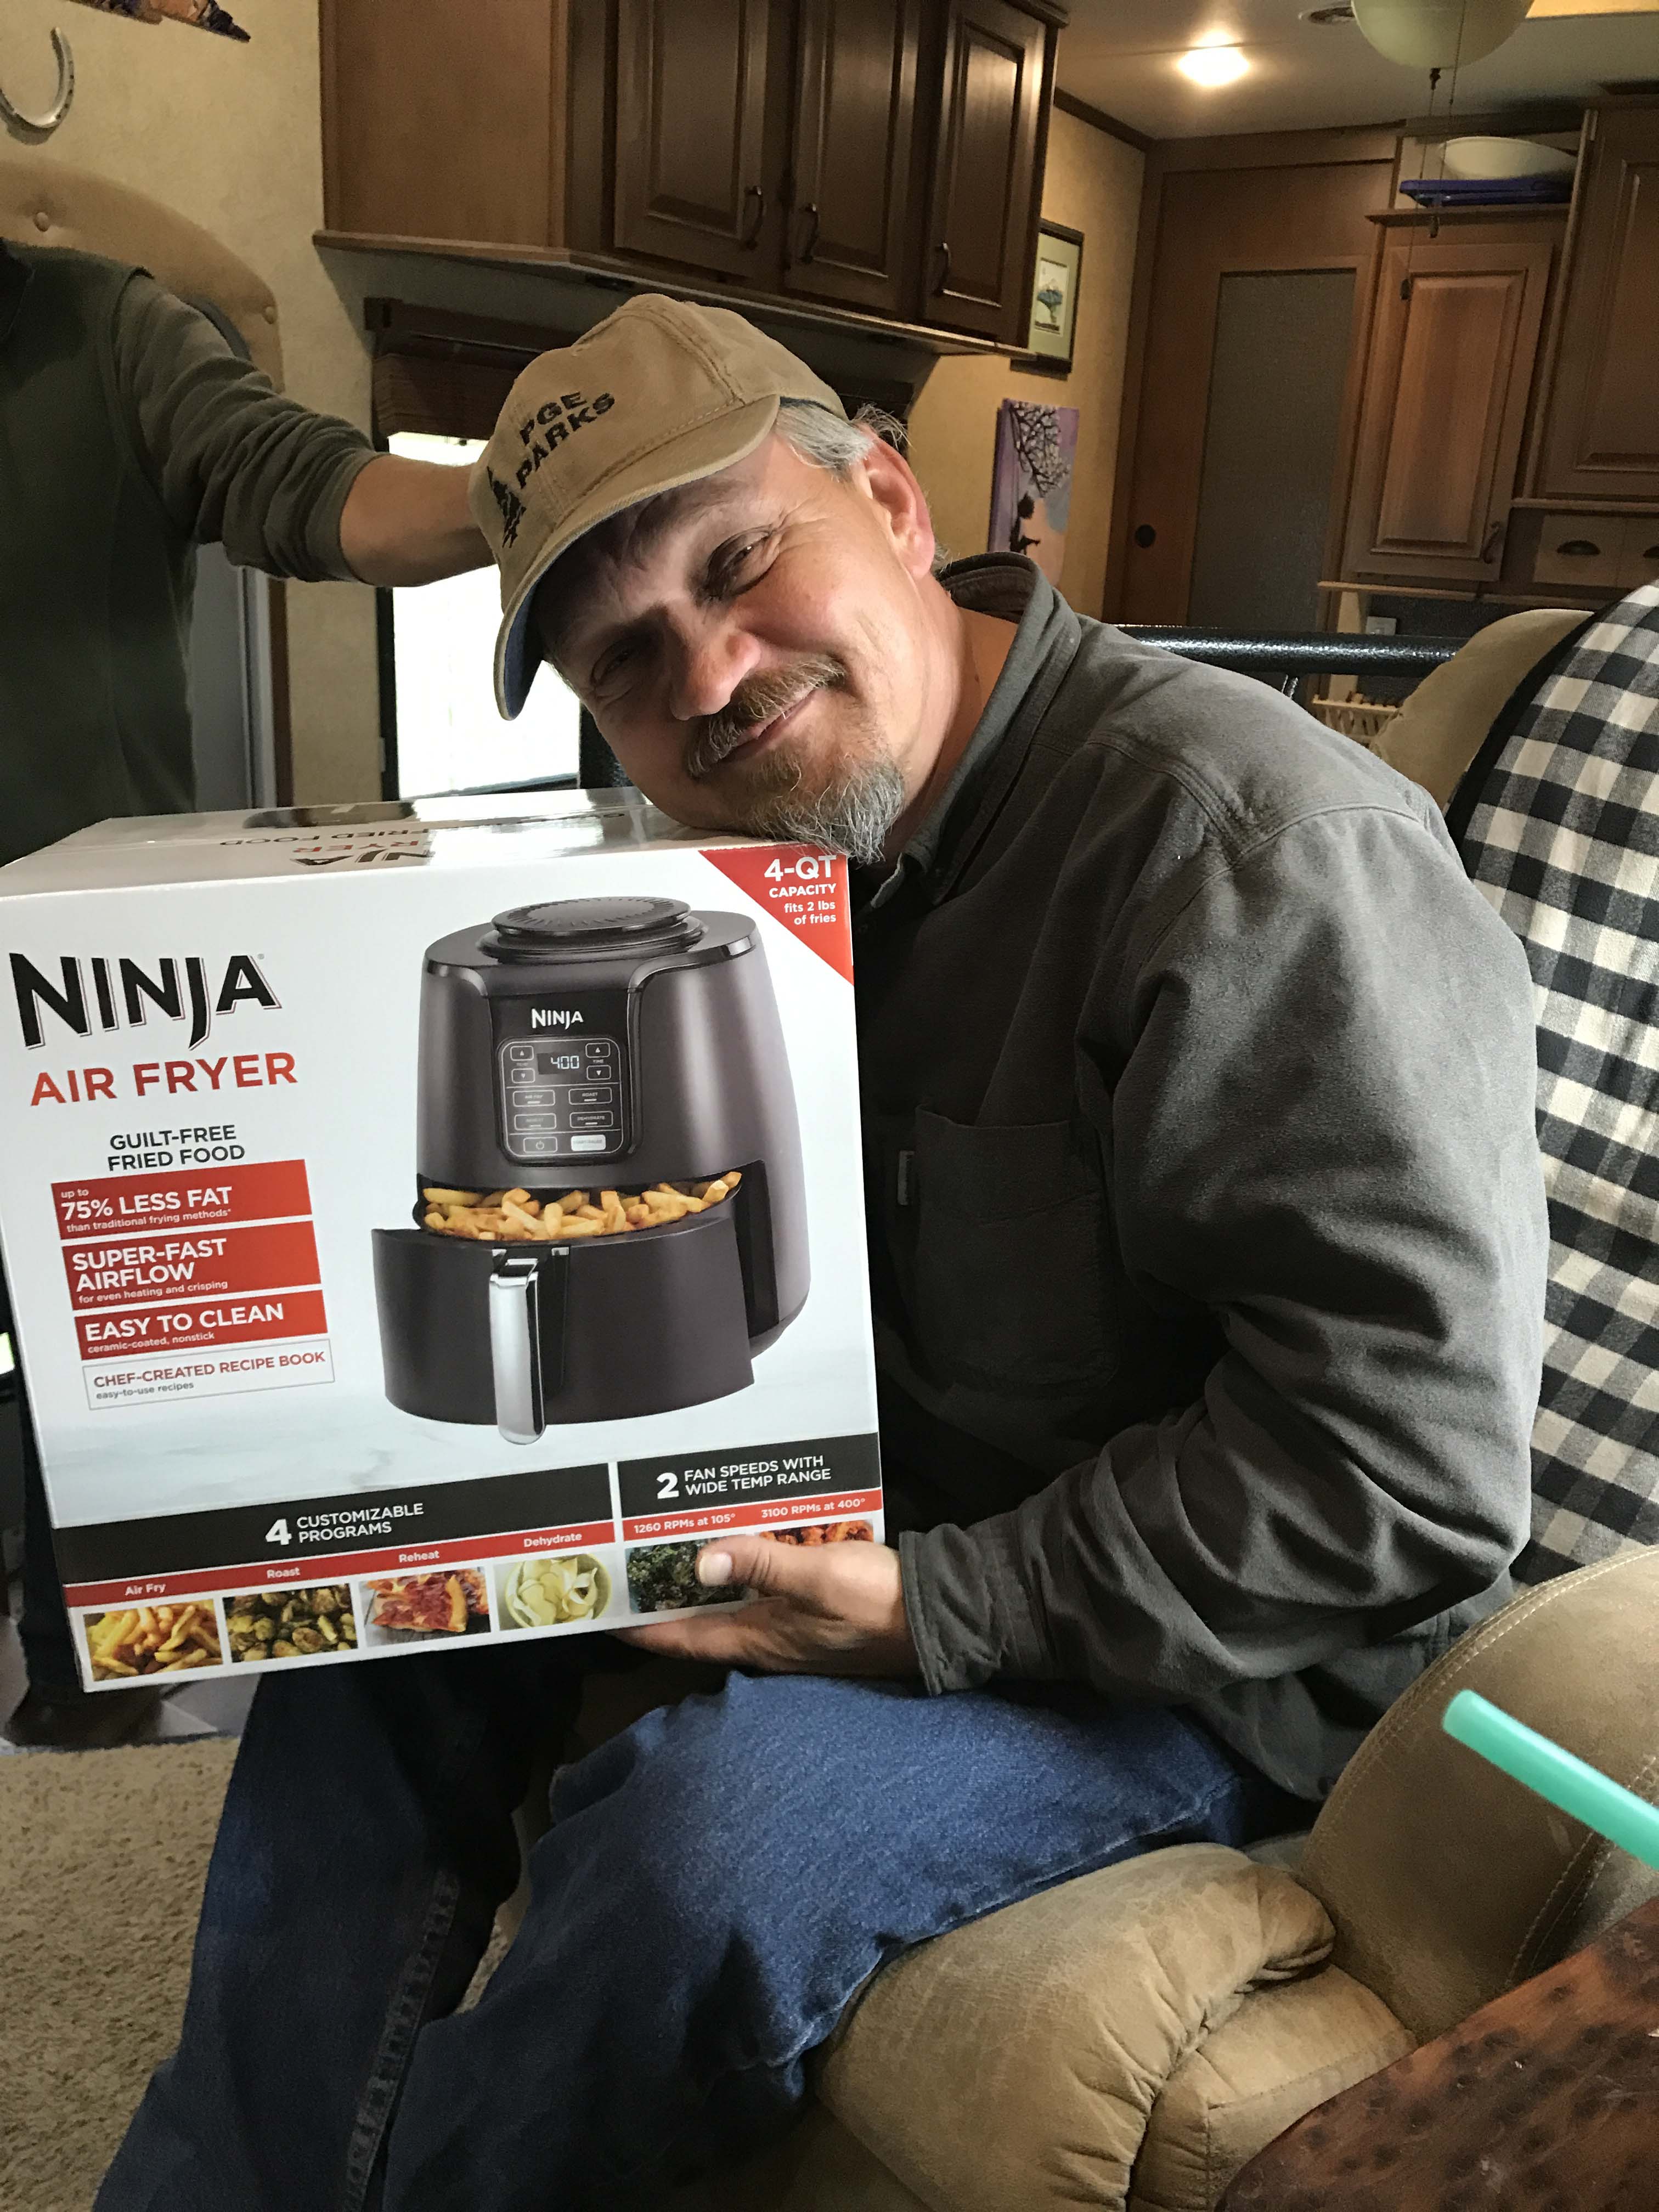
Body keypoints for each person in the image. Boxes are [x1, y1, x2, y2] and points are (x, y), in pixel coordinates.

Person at [98, 296, 1547, 2210]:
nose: (708, 674)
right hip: (864, 1508)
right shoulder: (753, 877)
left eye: (738, 562)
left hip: (1203, 1660)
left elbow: (1408, 1469)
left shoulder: (1249, 851)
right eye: (628, 657)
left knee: (706, 1845)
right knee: (368, 1631)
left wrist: (934, 1609)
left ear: (891, 497)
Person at [0, 236, 489, 1747]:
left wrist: (517, 494)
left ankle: (89, 1692)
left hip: (82, 1000)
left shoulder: (98, 326)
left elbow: (302, 476)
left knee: (102, 1338)